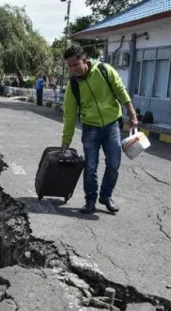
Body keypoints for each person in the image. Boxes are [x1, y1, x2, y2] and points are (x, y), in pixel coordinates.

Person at [61, 45, 138, 214]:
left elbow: (120, 91)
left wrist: (132, 113)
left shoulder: (104, 70)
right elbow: (70, 115)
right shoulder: (73, 85)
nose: (73, 69)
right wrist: (65, 142)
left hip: (111, 125)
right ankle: (90, 201)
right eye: (69, 66)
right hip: (90, 128)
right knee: (90, 166)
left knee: (113, 163)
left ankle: (106, 196)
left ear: (85, 61)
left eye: (75, 65)